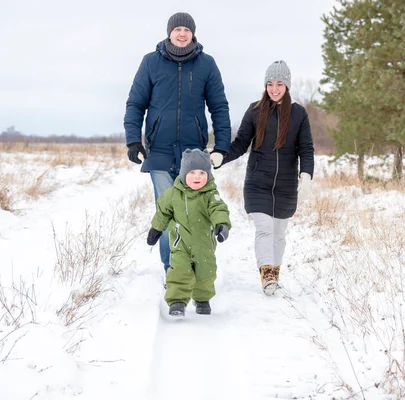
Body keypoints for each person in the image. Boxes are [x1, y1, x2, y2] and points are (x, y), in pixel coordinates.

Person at [124, 12, 230, 275]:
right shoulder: (151, 62)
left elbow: (219, 107)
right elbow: (136, 104)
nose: (182, 33)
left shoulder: (207, 64)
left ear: (193, 33)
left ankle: (192, 264)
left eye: (187, 29)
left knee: (194, 212)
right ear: (169, 32)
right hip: (159, 151)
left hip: (193, 156)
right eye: (177, 29)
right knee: (168, 210)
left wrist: (222, 147)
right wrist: (133, 141)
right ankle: (172, 269)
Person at [215, 60, 314, 295]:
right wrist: (221, 156)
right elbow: (240, 144)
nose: (274, 88)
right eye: (270, 83)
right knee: (265, 230)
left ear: (287, 86)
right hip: (258, 182)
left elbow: (306, 148)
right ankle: (267, 275)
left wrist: (307, 175)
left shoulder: (298, 113)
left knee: (279, 234)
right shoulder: (255, 110)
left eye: (279, 84)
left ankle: (273, 274)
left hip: (286, 185)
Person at [147, 149, 231, 316]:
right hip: (181, 242)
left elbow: (218, 209)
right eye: (192, 172)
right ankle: (177, 301)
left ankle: (202, 299)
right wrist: (156, 229)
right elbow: (163, 211)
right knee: (179, 270)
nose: (197, 177)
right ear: (184, 173)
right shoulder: (173, 194)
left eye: (202, 172)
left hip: (204, 242)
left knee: (205, 272)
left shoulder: (210, 194)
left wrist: (222, 225)